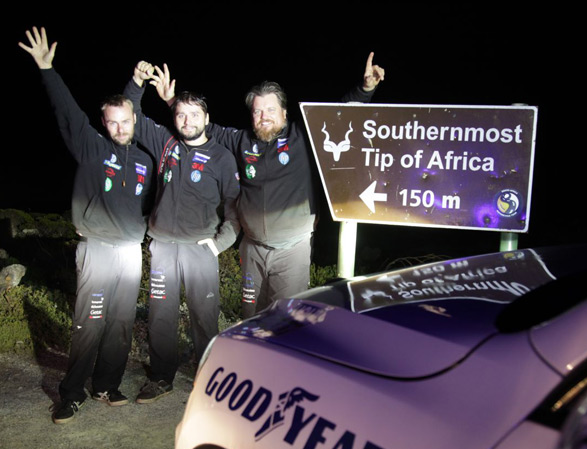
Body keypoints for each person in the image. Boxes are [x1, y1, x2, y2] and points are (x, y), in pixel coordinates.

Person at [152, 53, 385, 318]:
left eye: (271, 110)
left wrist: (365, 89)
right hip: (252, 249)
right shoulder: (240, 141)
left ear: (284, 112)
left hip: (291, 250)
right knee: (251, 317)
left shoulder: (302, 136)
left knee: (285, 320)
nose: (264, 116)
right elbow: (197, 125)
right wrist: (172, 102)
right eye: (257, 111)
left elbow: (336, 116)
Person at [18, 27, 155, 423]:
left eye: (124, 121)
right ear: (104, 123)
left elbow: (154, 204)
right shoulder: (93, 148)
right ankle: (71, 393)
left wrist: (135, 85)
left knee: (120, 324)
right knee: (90, 322)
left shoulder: (146, 161)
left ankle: (106, 385)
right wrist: (47, 69)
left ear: (134, 118)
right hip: (96, 249)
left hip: (130, 252)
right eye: (111, 122)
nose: (119, 128)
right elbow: (67, 112)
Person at [125, 61, 240, 403]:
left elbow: (235, 208)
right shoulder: (165, 143)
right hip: (162, 246)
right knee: (161, 316)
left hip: (200, 250)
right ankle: (161, 377)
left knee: (205, 318)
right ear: (174, 118)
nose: (187, 121)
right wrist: (136, 82)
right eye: (181, 115)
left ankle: (209, 378)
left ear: (207, 118)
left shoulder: (222, 157)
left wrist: (218, 245)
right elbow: (130, 113)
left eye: (194, 115)